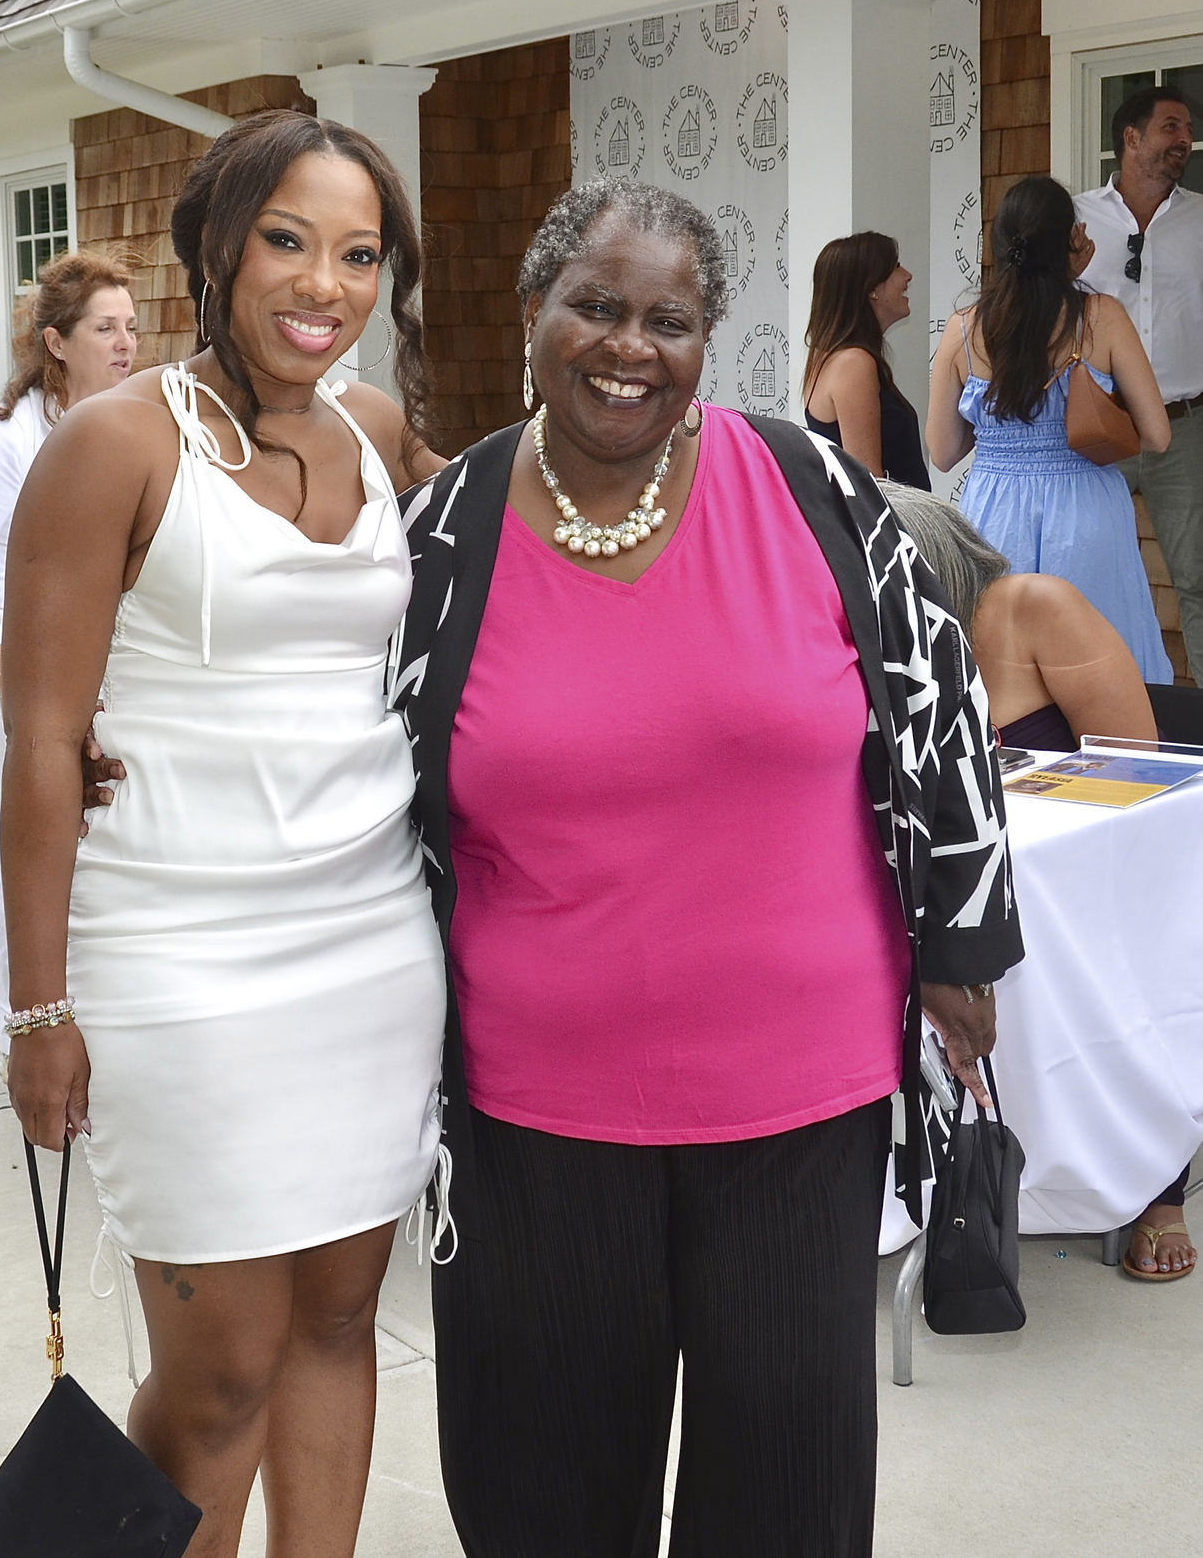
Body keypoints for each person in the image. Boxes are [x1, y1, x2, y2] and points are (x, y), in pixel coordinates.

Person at [390, 177, 1022, 1556]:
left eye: (667, 318)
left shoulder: (812, 488)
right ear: (535, 313)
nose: (630, 345)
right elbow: (351, 762)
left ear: (708, 334)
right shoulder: (445, 533)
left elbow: (940, 702)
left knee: (784, 1498)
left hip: (799, 1100)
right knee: (546, 1493)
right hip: (536, 1110)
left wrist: (964, 947)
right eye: (597, 307)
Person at [0, 109, 446, 1558]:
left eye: (361, 253)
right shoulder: (113, 444)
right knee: (223, 1364)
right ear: (215, 245)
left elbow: (518, 547)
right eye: (289, 240)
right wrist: (39, 1007)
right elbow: (42, 742)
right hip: (179, 951)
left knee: (336, 1321)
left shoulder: (377, 434)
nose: (326, 284)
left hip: (369, 939)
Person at [881, 481, 1196, 1283]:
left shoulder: (1027, 607)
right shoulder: (881, 647)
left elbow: (1140, 774)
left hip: (1095, 880)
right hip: (965, 889)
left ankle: (1160, 1188)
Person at [0, 249, 138, 1046]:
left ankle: (86, 1012)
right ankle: (23, 1027)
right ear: (57, 342)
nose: (124, 343)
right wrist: (14, 677)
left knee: (87, 845)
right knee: (22, 842)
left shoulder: (116, 424)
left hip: (77, 665)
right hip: (1, 675)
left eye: (130, 327)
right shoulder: (10, 439)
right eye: (103, 328)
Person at [927, 174, 1174, 685]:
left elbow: (944, 451)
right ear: (1072, 239)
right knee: (1099, 666)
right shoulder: (1100, 317)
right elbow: (1158, 434)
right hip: (1085, 509)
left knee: (1003, 674)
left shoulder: (964, 329)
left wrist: (1002, 432)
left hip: (993, 516)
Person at [1076, 85, 1203, 681]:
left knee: (1199, 577)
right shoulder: (1074, 221)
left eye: (1186, 130)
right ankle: (1090, 707)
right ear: (1131, 138)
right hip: (1099, 423)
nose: (1185, 140)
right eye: (1171, 127)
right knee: (1083, 569)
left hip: (1184, 428)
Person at [803, 230, 931, 488]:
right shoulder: (853, 363)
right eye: (895, 267)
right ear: (871, 287)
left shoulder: (835, 358)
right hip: (893, 524)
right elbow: (869, 485)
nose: (907, 275)